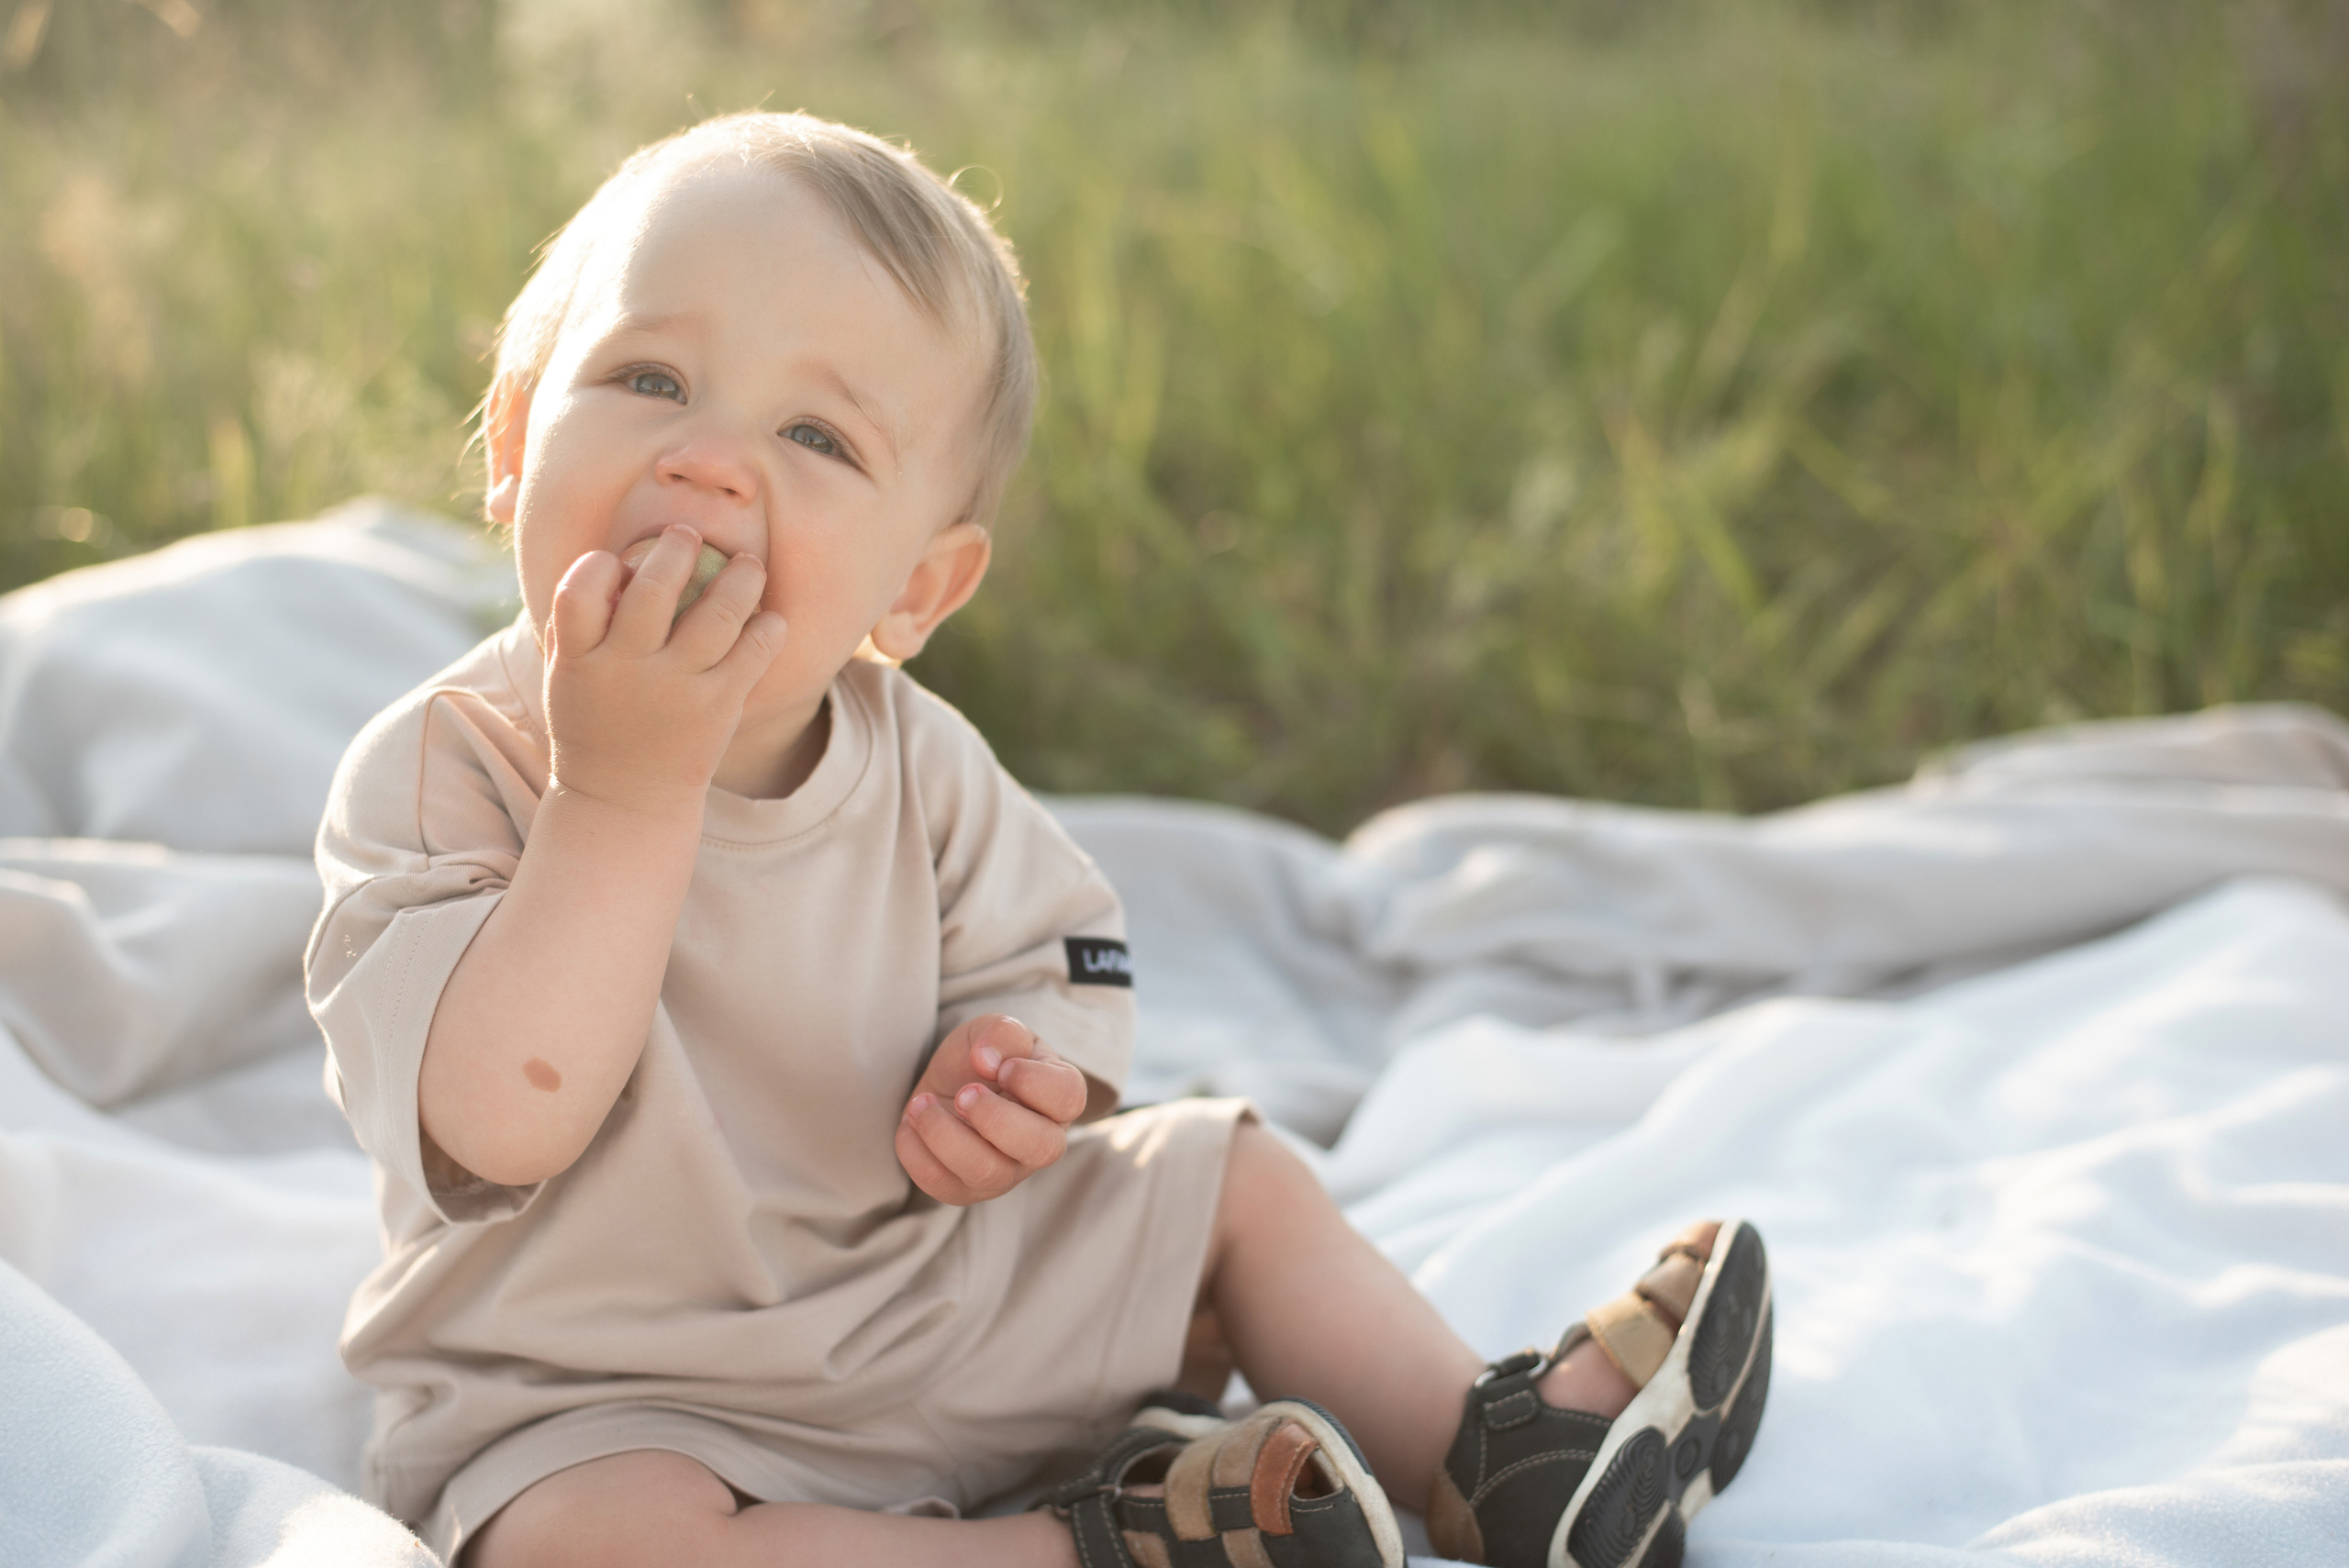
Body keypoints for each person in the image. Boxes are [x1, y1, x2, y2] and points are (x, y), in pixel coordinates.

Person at [304, 111, 1772, 1568]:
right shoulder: (447, 766)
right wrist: (622, 790)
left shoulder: (921, 764)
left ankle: (1495, 1452)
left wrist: (1006, 1077)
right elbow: (501, 1118)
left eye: (815, 436)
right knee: (585, 1547)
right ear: (515, 440)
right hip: (613, 1397)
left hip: (926, 1304)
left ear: (918, 588)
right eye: (650, 378)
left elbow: (1059, 972)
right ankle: (1107, 1542)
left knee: (1226, 1175)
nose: (711, 464)